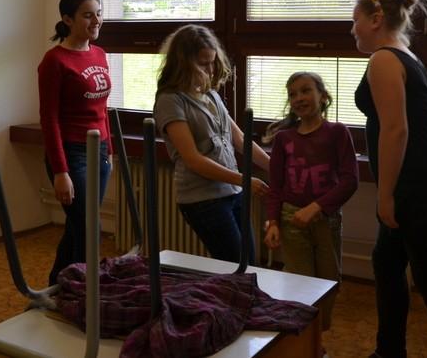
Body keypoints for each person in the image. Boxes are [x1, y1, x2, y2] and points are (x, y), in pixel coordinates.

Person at [352, 0, 427, 358]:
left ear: (376, 20)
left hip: (422, 187)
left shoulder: (384, 59)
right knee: (387, 264)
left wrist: (385, 195)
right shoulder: (404, 54)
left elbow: (396, 130)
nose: (352, 30)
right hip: (424, 181)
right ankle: (388, 351)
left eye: (355, 21)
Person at [153, 24, 270, 264]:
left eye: (212, 62)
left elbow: (239, 139)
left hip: (233, 192)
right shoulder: (169, 101)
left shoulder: (210, 94)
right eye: (203, 63)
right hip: (202, 199)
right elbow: (193, 159)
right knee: (235, 265)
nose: (210, 70)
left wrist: (274, 166)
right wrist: (244, 179)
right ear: (183, 63)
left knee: (249, 263)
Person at [262, 71, 359, 333]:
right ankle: (303, 340)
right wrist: (273, 222)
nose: (299, 98)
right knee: (299, 283)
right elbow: (276, 187)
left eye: (306, 91)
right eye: (292, 94)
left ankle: (317, 339)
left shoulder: (337, 132)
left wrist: (317, 207)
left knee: (329, 282)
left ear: (323, 96)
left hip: (326, 219)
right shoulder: (284, 139)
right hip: (291, 220)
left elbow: (350, 181)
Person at [38, 0, 112, 286]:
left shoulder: (99, 54)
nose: (96, 21)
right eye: (87, 15)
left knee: (78, 224)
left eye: (99, 14)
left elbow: (103, 109)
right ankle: (84, 288)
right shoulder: (54, 60)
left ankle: (57, 285)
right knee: (88, 226)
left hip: (100, 151)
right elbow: (49, 118)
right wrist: (60, 171)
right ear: (67, 20)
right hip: (72, 154)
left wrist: (110, 150)